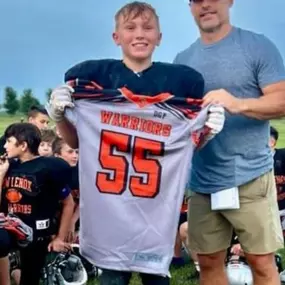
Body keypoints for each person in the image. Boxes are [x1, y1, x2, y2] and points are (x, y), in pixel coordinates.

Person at [46, 2, 225, 284]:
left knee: (155, 279)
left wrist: (206, 132)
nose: (139, 34)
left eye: (147, 28)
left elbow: (183, 148)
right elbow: (77, 140)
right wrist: (59, 116)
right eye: (130, 28)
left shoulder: (180, 84)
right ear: (116, 37)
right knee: (114, 279)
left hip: (154, 210)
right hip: (111, 209)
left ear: (159, 37)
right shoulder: (96, 82)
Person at [173, 0, 285, 284]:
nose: (206, 4)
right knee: (209, 262)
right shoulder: (182, 61)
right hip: (202, 182)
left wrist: (237, 104)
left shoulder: (257, 46)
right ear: (190, 6)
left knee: (261, 262)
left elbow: (281, 101)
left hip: (250, 177)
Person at [0, 123, 74, 285]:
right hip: (7, 227)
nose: (5, 145)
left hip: (37, 234)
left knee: (30, 278)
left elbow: (68, 203)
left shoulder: (49, 167)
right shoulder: (7, 165)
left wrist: (60, 238)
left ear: (23, 145)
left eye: (9, 141)